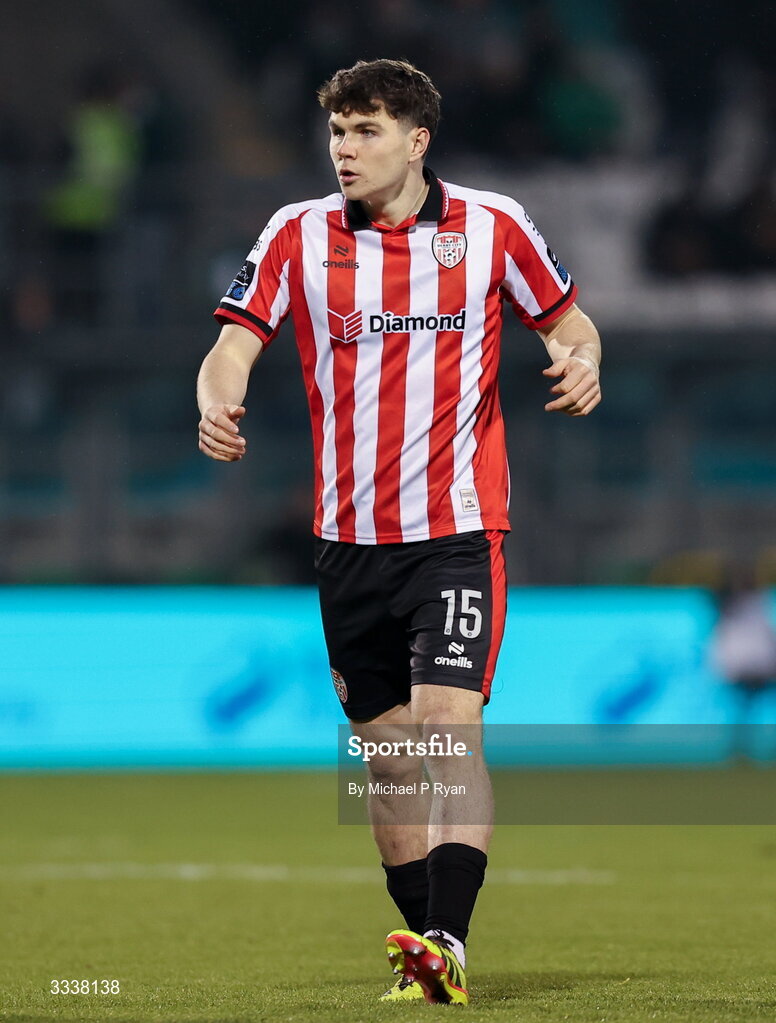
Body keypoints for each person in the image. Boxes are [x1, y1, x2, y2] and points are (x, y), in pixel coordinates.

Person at [197, 58, 601, 1005]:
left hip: (458, 532)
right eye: (337, 131)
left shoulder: (493, 224)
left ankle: (450, 939)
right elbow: (231, 344)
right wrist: (220, 400)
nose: (344, 148)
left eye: (366, 131)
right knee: (388, 760)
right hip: (346, 547)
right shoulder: (295, 234)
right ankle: (423, 944)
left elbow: (571, 325)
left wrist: (582, 364)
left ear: (417, 141)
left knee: (449, 728)